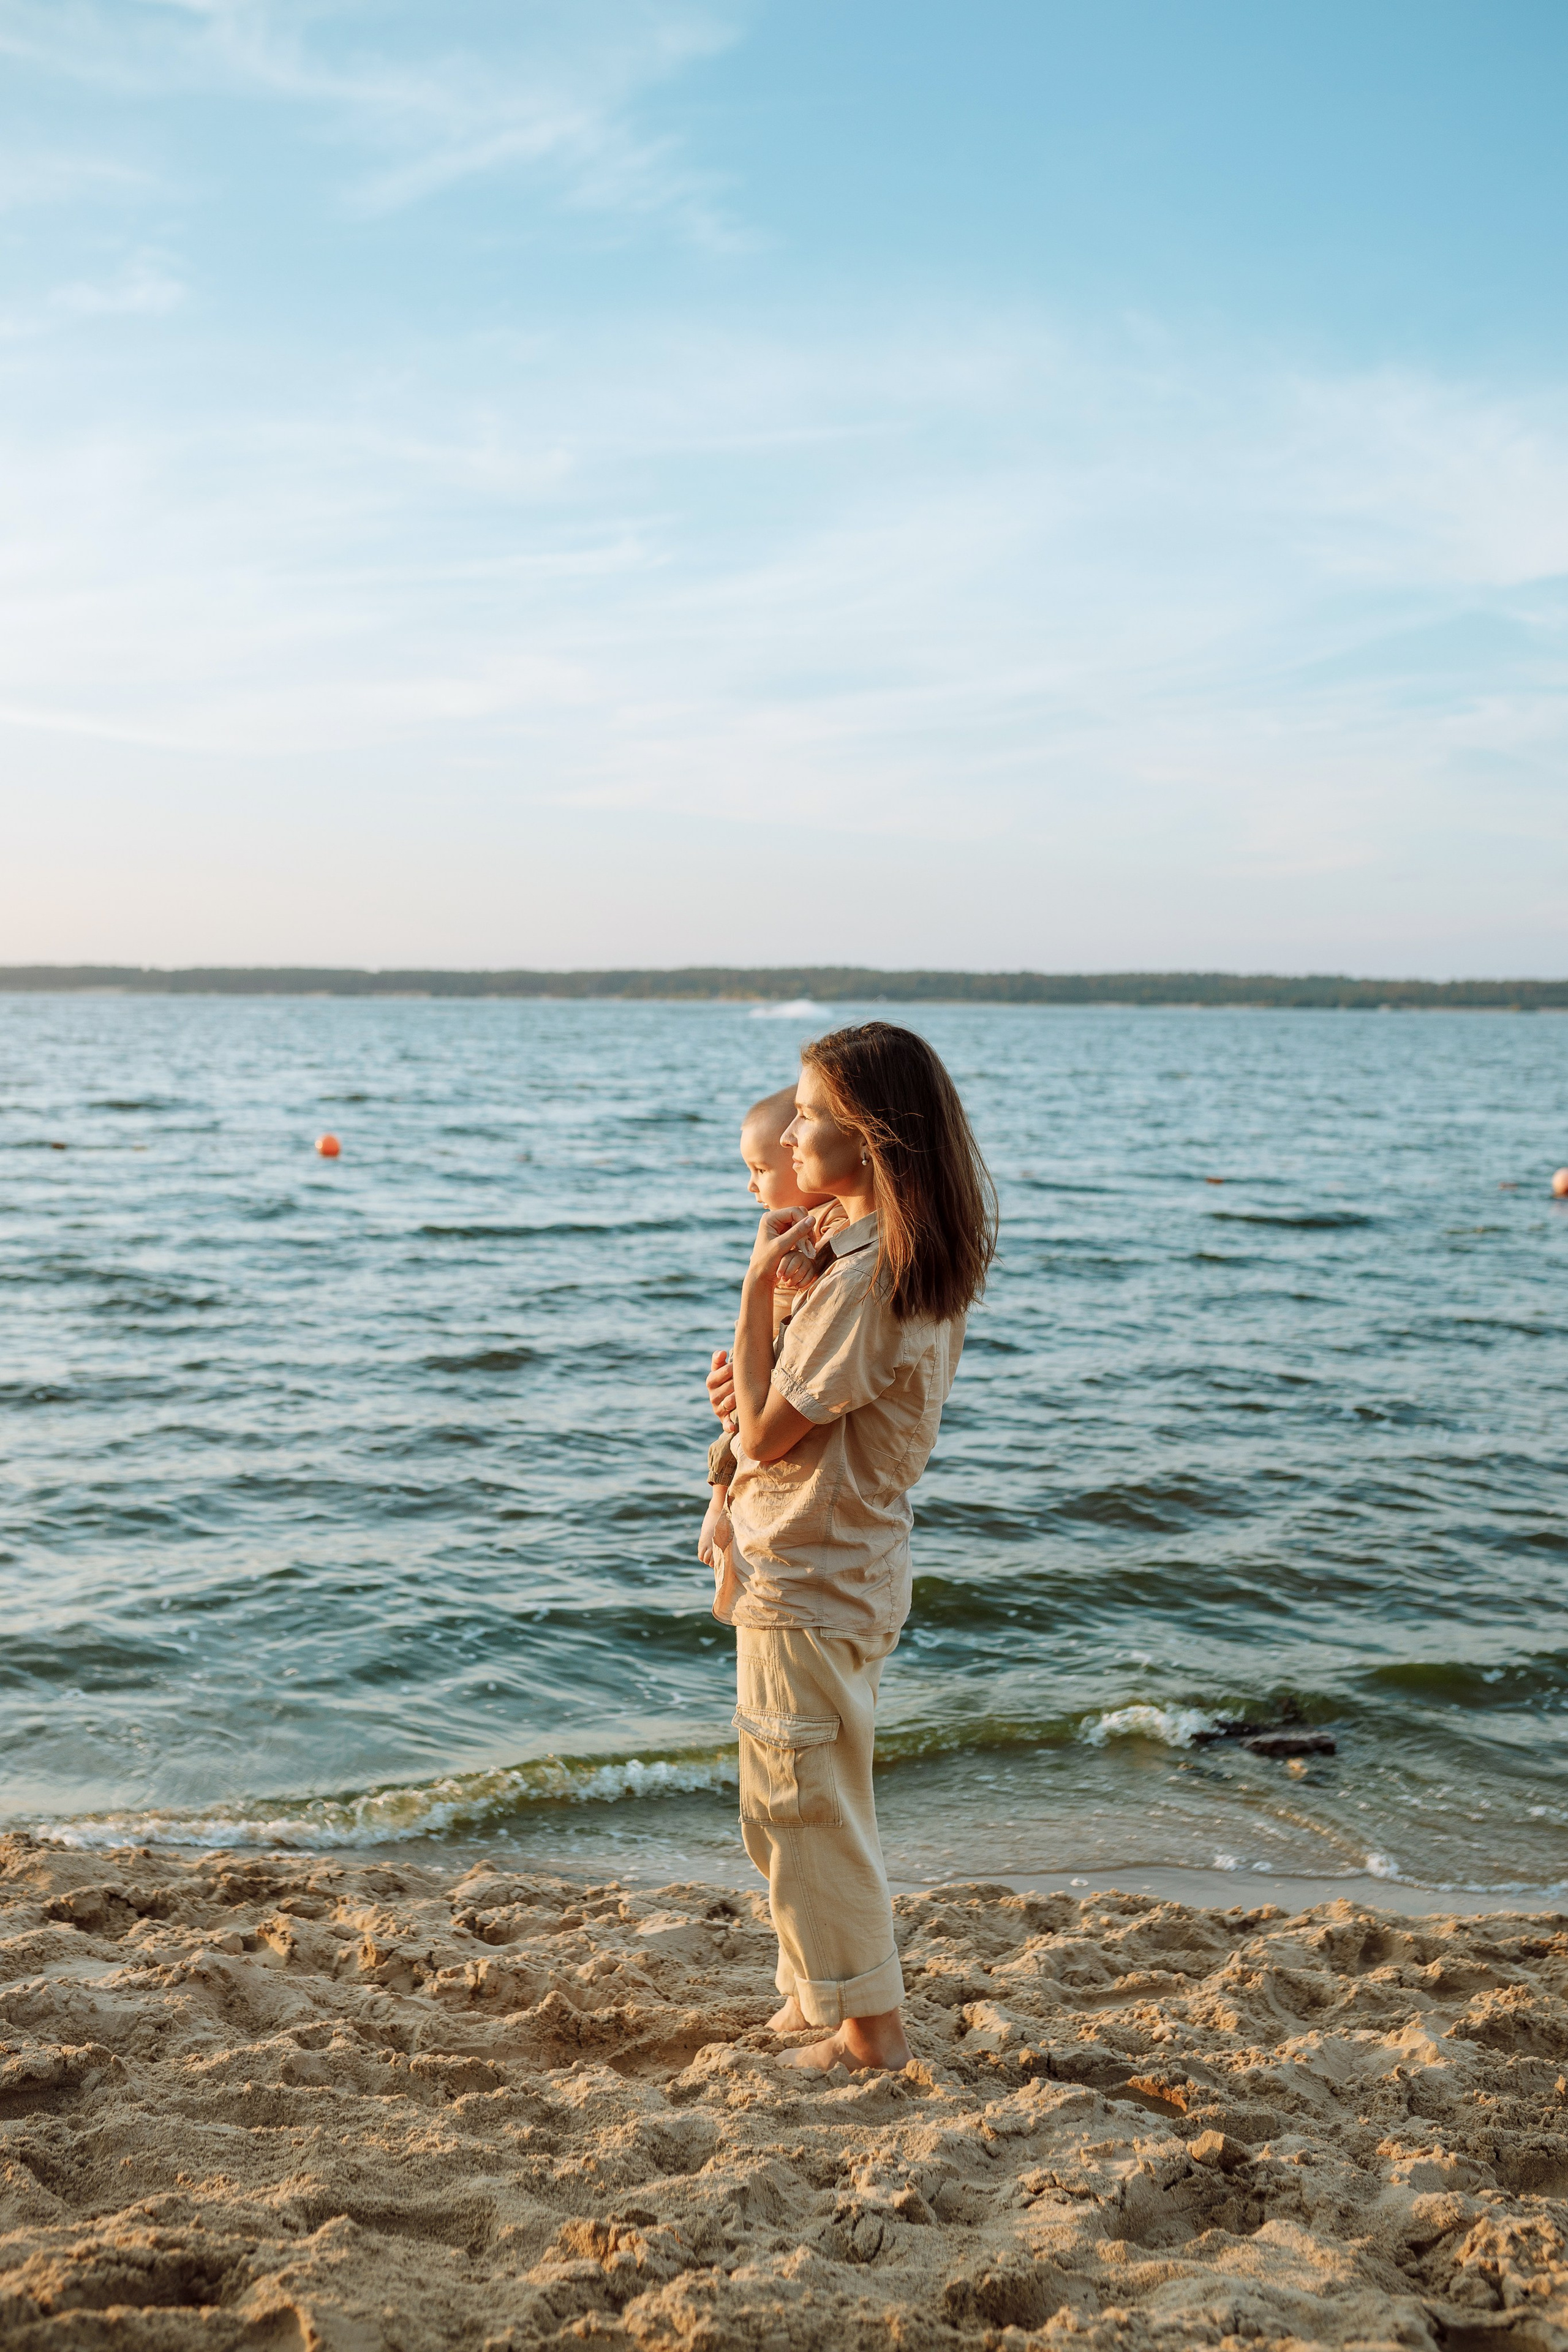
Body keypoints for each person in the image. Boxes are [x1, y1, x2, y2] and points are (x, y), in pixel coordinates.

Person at [704, 1022, 995, 2073]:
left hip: (815, 1566)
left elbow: (768, 1435)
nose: (793, 1134)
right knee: (787, 1795)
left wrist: (752, 1296)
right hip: (829, 1559)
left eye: (814, 1115)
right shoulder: (867, 1257)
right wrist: (761, 1357)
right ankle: (813, 1994)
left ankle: (870, 2031)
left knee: (807, 1802)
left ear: (871, 1141)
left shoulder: (869, 1278)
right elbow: (777, 1402)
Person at [697, 1087, 843, 1586]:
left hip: (777, 1370)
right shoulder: (788, 1225)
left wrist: (807, 1260)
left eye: (761, 1171)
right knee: (731, 1423)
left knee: (738, 1427)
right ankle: (717, 1506)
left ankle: (719, 1510)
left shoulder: (836, 1220)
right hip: (768, 1361)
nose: (751, 1186)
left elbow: (822, 1254)